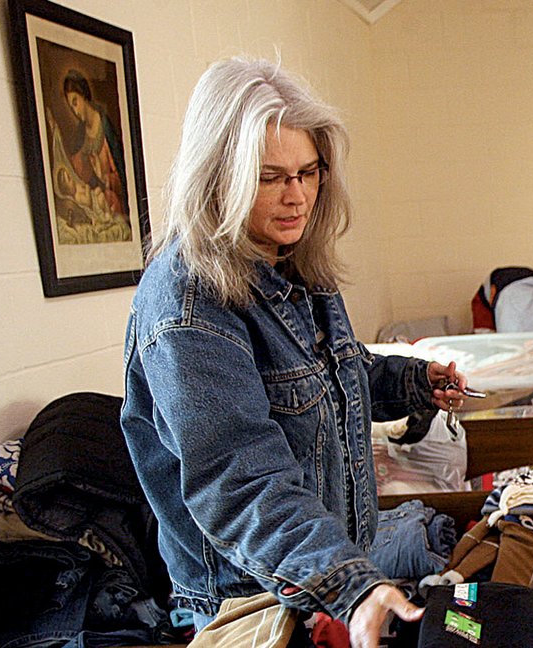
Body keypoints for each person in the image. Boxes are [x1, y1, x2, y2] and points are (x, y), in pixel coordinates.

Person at [120, 56, 469, 647]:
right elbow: (240, 478)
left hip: (319, 579)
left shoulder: (294, 262)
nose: (297, 196)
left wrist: (411, 381)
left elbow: (326, 381)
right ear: (217, 176)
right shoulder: (188, 300)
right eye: (269, 176)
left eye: (309, 173)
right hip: (250, 603)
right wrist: (350, 583)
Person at [62, 69, 128, 216]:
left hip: (114, 203)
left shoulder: (105, 127)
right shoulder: (80, 137)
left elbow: (122, 177)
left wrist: (104, 177)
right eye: (71, 107)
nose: (75, 110)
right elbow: (79, 176)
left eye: (75, 102)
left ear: (84, 95)